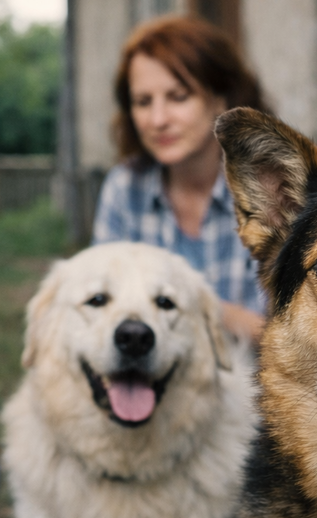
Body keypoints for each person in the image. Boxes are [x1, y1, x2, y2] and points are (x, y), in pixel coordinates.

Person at [92, 15, 274, 341]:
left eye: (178, 97)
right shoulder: (124, 188)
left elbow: (290, 338)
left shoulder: (271, 192)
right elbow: (101, 311)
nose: (158, 119)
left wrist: (197, 306)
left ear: (220, 100)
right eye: (143, 102)